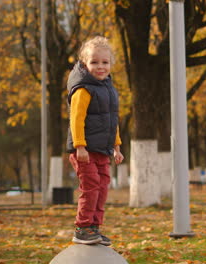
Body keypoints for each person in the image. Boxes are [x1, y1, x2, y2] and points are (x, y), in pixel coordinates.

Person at [66, 36, 124, 245]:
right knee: (91, 186)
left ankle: (94, 227)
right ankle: (82, 227)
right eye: (94, 62)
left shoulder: (108, 89)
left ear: (110, 64)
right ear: (84, 63)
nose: (100, 67)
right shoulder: (83, 89)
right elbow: (76, 119)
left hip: (103, 149)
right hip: (85, 150)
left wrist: (116, 146)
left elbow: (112, 120)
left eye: (105, 62)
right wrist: (80, 146)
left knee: (102, 187)